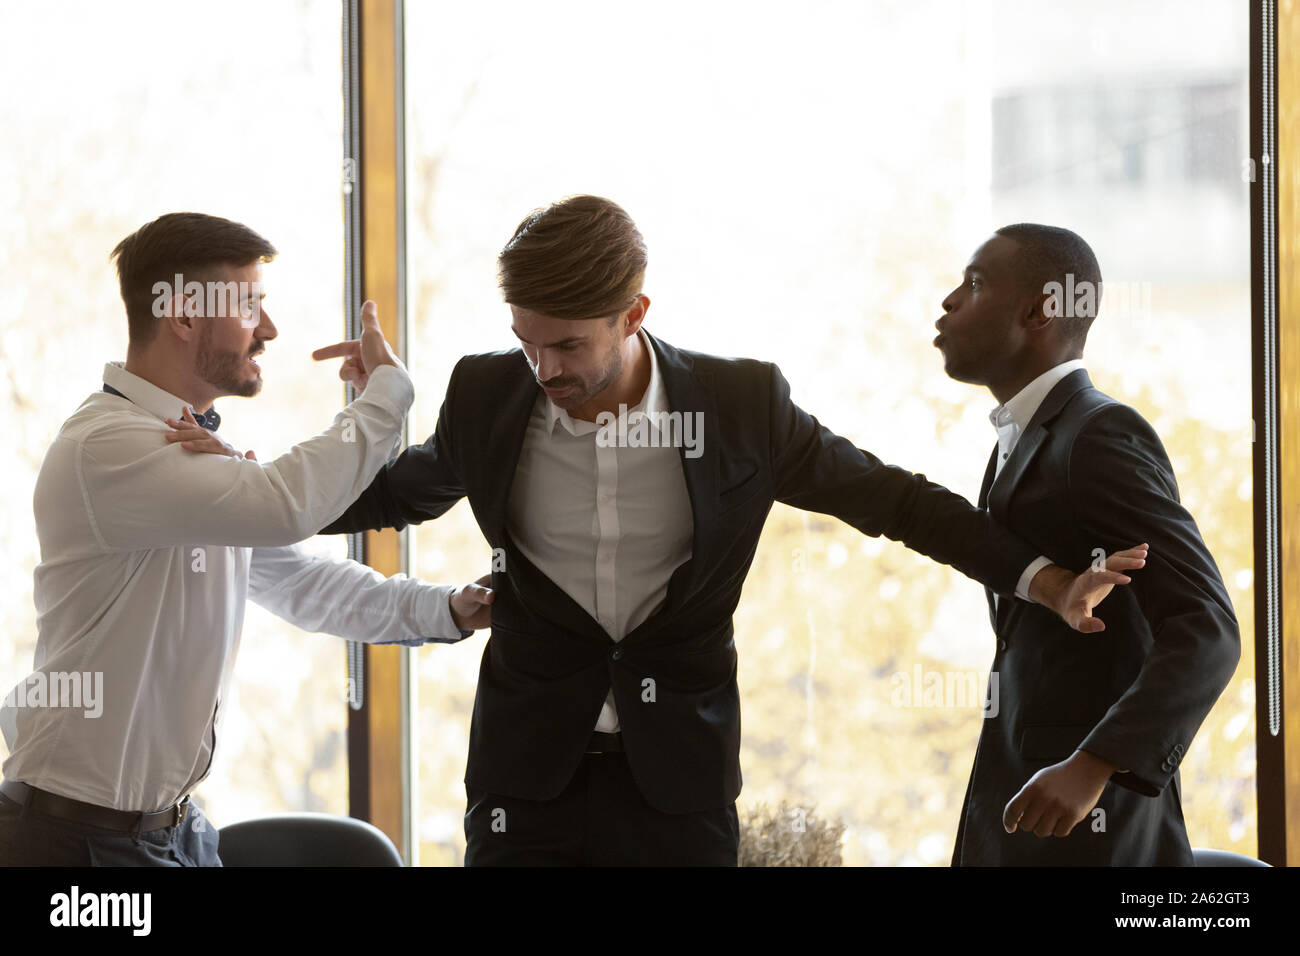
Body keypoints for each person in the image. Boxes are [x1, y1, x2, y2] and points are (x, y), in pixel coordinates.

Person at [315, 195, 1144, 867]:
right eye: (527, 343)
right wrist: (230, 484)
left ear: (634, 311)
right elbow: (394, 496)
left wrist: (1046, 579)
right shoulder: (488, 394)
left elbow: (896, 502)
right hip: (523, 783)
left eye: (568, 346)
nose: (546, 370)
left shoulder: (739, 407)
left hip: (680, 785)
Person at [0, 212, 492, 866]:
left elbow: (301, 581)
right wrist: (386, 395)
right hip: (77, 844)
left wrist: (447, 608)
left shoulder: (187, 449)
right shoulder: (110, 447)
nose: (268, 330)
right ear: (181, 315)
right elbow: (285, 505)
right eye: (250, 307)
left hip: (176, 835)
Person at [935, 223, 1240, 865]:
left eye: (975, 283)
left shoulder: (1098, 437)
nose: (949, 301)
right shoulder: (1024, 437)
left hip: (1093, 834)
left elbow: (1207, 626)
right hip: (1027, 809)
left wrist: (1095, 764)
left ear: (1040, 310)